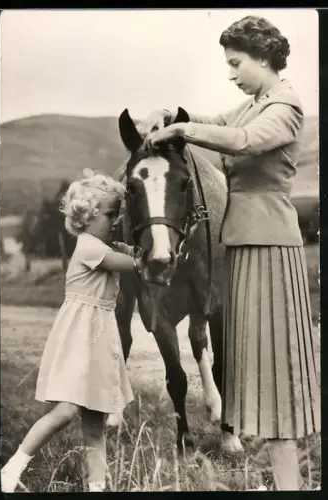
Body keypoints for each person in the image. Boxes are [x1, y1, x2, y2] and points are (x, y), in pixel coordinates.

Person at [138, 15, 320, 491]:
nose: (231, 73)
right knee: (250, 363)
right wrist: (173, 117)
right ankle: (280, 476)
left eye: (236, 63)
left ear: (264, 57)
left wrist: (178, 133)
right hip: (242, 245)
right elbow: (216, 122)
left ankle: (290, 482)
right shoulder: (252, 103)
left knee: (275, 366)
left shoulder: (286, 105)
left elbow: (241, 142)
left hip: (270, 246)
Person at [1, 169, 142, 493]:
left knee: (95, 424)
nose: (116, 220)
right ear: (86, 217)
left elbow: (134, 256)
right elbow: (136, 264)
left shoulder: (106, 244)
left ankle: (97, 486)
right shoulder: (90, 246)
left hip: (97, 336)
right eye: (111, 214)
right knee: (65, 410)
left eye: (119, 214)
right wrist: (152, 258)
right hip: (80, 336)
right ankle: (11, 469)